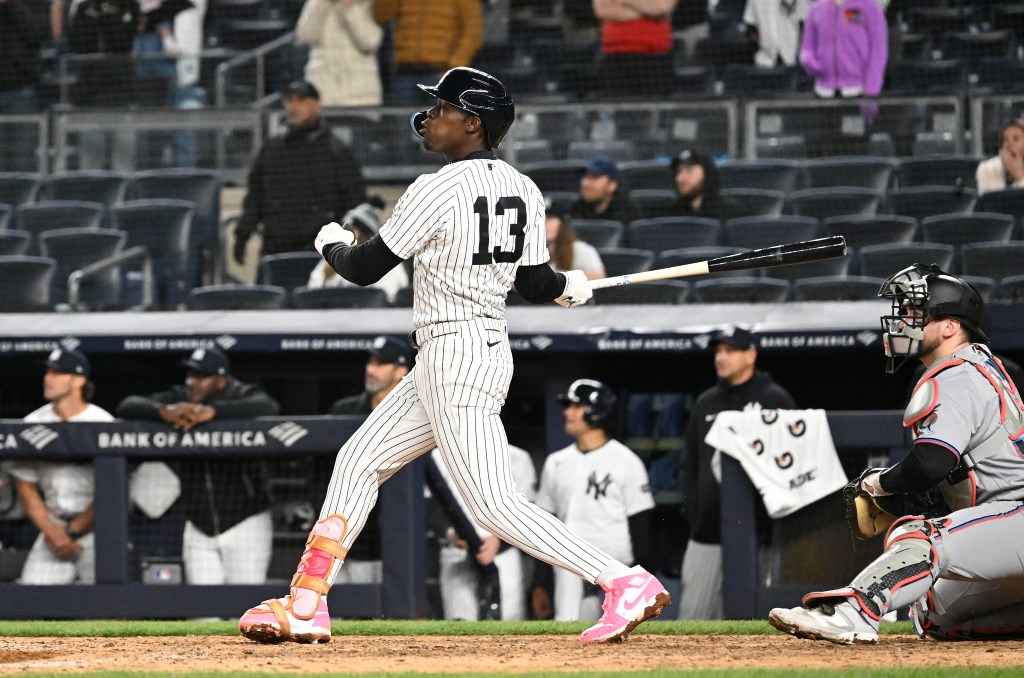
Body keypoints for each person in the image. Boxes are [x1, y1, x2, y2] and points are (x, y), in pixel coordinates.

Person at [238, 66, 669, 645]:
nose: (431, 116)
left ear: (473, 122)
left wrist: (329, 241)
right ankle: (307, 601)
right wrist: (572, 284)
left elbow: (363, 270)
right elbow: (537, 285)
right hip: (463, 352)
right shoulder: (526, 188)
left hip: (458, 354)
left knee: (492, 506)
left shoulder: (434, 189)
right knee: (357, 462)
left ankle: (622, 581)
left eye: (443, 108)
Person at [769, 264, 1024, 644]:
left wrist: (878, 483)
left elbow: (929, 464)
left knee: (915, 534)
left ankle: (853, 612)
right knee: (935, 613)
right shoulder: (982, 364)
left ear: (950, 326)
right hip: (1007, 520)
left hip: (1015, 515)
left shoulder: (954, 374)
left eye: (915, 314)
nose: (903, 322)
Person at [115, 347, 281, 585]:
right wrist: (164, 412)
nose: (192, 382)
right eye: (190, 375)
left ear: (221, 380)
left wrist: (213, 412)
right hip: (198, 524)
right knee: (202, 612)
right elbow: (128, 405)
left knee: (245, 608)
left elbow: (267, 405)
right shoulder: (182, 397)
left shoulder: (242, 393)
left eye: (201, 377)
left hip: (246, 520)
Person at [678, 325, 795, 620]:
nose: (721, 357)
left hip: (759, 533)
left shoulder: (774, 399)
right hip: (707, 532)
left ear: (751, 355)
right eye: (719, 351)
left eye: (730, 351)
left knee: (759, 618)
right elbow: (689, 462)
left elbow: (791, 461)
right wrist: (694, 510)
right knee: (694, 615)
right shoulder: (706, 402)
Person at [531, 379, 655, 622]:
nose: (568, 412)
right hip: (567, 569)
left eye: (576, 406)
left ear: (596, 412)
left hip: (617, 568)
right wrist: (540, 583)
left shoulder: (626, 461)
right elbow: (544, 527)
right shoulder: (556, 462)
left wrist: (641, 581)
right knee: (568, 635)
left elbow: (642, 527)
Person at [233, 80, 368, 263]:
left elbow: (355, 203)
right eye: (290, 101)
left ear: (316, 105)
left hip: (321, 250)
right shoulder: (272, 150)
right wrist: (243, 235)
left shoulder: (337, 152)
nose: (293, 106)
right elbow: (255, 198)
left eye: (300, 100)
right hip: (277, 246)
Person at [9, 349, 113, 585]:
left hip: (100, 528)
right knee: (29, 607)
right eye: (48, 371)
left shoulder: (101, 422)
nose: (48, 378)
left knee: (109, 609)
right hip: (53, 527)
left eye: (57, 373)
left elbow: (112, 491)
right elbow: (25, 485)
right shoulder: (33, 423)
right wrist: (53, 532)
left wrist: (72, 531)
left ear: (79, 380)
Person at [433, 443, 537, 621]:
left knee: (509, 623)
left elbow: (529, 511)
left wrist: (500, 539)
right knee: (459, 627)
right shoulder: (438, 456)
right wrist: (450, 532)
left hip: (503, 551)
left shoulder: (517, 456)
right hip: (457, 552)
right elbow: (428, 507)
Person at [373, 0, 483, 105]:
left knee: (440, 123)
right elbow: (380, 15)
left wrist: (452, 67)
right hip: (405, 73)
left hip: (439, 74)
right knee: (403, 123)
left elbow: (472, 32)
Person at [306, 198, 409, 302]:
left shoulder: (389, 263)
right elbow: (312, 296)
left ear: (359, 233)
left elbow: (388, 304)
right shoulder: (331, 259)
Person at [296, 0, 383, 107]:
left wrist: (349, 8)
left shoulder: (367, 3)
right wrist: (321, 3)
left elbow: (370, 42)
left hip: (360, 96)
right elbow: (306, 35)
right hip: (323, 94)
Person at [799, 0, 887, 100]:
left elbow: (878, 49)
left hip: (857, 90)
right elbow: (807, 46)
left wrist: (872, 90)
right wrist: (811, 64)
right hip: (823, 91)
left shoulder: (868, 5)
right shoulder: (817, 8)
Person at [593, 0, 677, 99]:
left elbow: (661, 7)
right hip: (614, 59)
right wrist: (646, 10)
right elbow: (603, 10)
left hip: (655, 59)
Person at [569, 155, 642, 225]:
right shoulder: (577, 208)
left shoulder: (628, 213)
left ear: (612, 185)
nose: (585, 183)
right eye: (585, 177)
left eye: (594, 177)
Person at [670, 148, 736, 221]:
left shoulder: (730, 213)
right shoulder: (671, 216)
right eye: (679, 172)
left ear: (707, 173)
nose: (680, 179)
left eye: (689, 170)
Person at [545, 203, 606, 281]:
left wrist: (563, 278)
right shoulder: (528, 250)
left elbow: (598, 276)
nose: (543, 223)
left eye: (549, 218)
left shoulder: (581, 249)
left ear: (563, 224)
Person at [743, 0, 810, 68]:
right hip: (765, 61)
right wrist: (756, 49)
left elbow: (806, 23)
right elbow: (750, 25)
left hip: (792, 58)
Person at [976, 119, 1024, 196]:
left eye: (1016, 139)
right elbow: (995, 202)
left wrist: (1019, 176)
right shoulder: (987, 168)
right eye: (1005, 139)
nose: (1009, 144)